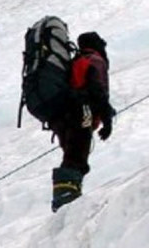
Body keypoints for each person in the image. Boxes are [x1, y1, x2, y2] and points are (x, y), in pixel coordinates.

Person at [49, 31, 114, 212]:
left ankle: (65, 200)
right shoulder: (95, 60)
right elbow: (96, 90)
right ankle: (67, 200)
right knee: (77, 156)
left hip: (63, 117)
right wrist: (107, 118)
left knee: (72, 155)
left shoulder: (75, 61)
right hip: (80, 113)